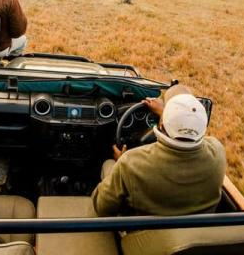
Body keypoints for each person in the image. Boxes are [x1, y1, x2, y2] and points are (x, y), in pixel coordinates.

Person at [91, 84, 226, 216]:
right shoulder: (217, 151)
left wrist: (120, 164)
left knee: (108, 164)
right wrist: (168, 115)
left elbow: (101, 207)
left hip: (144, 235)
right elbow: (188, 133)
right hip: (198, 232)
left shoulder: (130, 163)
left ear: (161, 124)